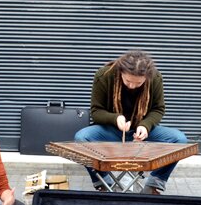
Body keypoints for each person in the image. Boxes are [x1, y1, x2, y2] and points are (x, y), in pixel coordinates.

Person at [75, 50, 187, 194]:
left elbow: (158, 109)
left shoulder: (155, 78)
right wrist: (115, 118)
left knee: (180, 140)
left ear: (146, 77)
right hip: (112, 131)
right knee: (81, 138)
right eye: (127, 81)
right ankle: (104, 182)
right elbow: (96, 111)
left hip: (142, 132)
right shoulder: (104, 75)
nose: (132, 86)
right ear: (120, 72)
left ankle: (154, 184)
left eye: (138, 83)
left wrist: (145, 125)